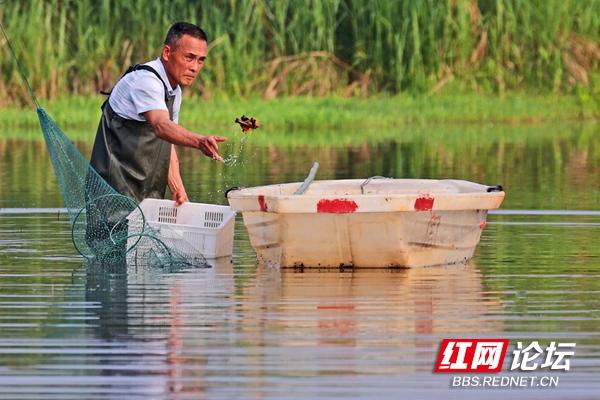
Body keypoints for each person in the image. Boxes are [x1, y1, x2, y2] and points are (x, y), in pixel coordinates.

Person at [90, 22, 225, 206]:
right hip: (111, 194)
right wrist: (199, 141)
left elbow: (167, 140)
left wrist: (177, 189)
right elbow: (161, 126)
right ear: (167, 53)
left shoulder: (174, 91)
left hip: (144, 197)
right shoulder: (146, 81)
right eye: (189, 57)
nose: (195, 67)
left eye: (200, 60)